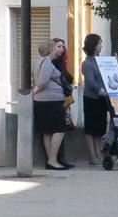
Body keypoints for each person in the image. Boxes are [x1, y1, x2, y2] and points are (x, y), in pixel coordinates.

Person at [32, 36, 73, 171]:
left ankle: (51, 160)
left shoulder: (39, 62)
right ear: (50, 49)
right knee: (60, 129)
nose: (61, 50)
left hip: (44, 101)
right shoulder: (47, 63)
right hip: (51, 101)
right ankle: (53, 160)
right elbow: (42, 83)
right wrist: (33, 93)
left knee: (48, 132)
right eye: (57, 47)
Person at [80, 34, 109, 167]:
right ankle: (92, 155)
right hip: (92, 99)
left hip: (102, 99)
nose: (101, 46)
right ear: (94, 46)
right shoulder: (86, 63)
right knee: (91, 129)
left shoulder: (101, 61)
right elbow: (91, 82)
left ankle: (99, 152)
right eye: (99, 44)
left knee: (100, 128)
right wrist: (101, 91)